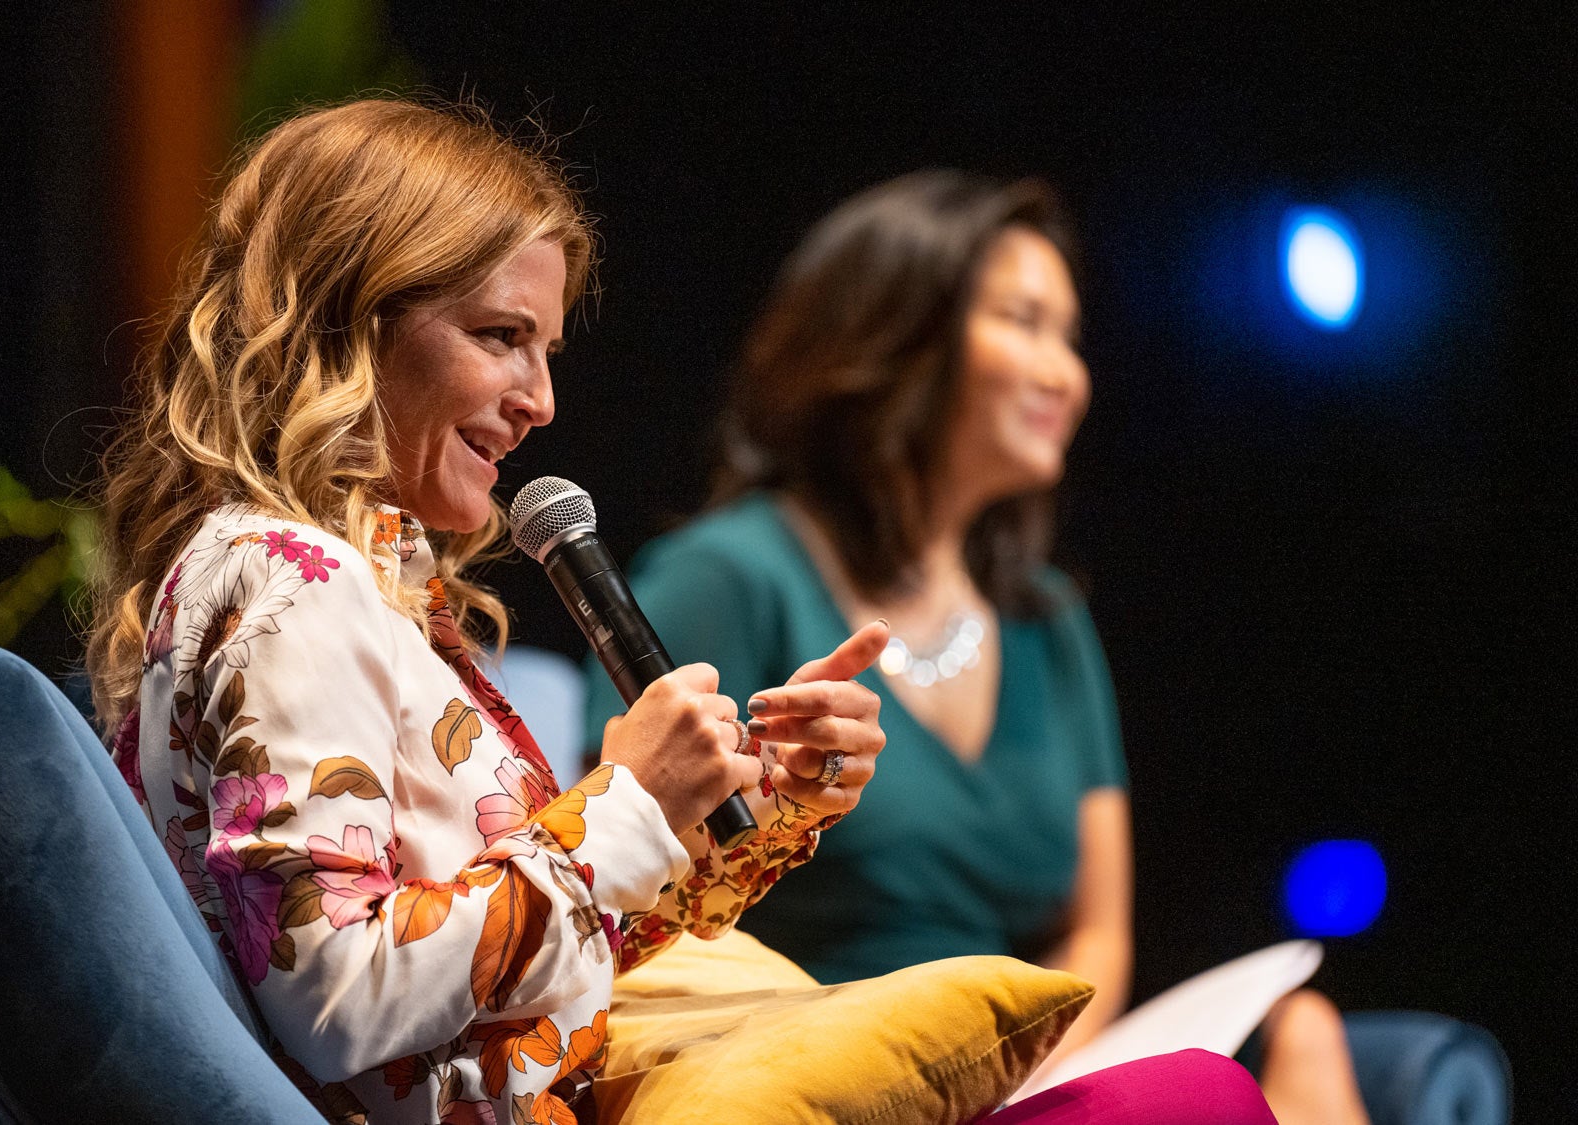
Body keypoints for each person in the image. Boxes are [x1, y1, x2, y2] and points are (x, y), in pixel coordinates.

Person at [85, 100, 1274, 1125]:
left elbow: (518, 962)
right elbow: (340, 992)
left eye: (544, 351)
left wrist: (755, 802)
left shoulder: (330, 583)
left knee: (1199, 1087)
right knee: (1186, 1102)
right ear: (350, 317)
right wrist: (621, 808)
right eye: (501, 338)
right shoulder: (285, 580)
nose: (539, 401)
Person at [583, 171, 1372, 1125]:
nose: (1068, 372)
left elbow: (1096, 928)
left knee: (1311, 1033)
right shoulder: (727, 575)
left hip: (1017, 1062)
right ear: (896, 337)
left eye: (1070, 337)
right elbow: (620, 883)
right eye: (1024, 322)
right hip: (822, 1071)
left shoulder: (1044, 620)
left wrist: (1025, 1072)